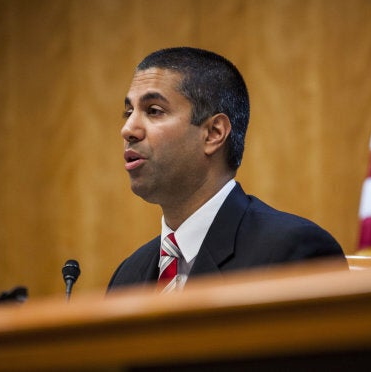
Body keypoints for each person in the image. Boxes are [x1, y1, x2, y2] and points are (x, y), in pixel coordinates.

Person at [107, 47, 345, 292]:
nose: (127, 129)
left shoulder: (292, 254)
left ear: (213, 133)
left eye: (154, 111)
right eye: (128, 112)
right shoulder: (127, 276)